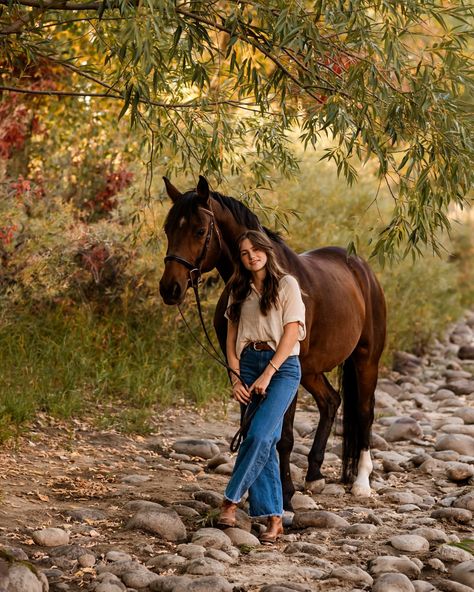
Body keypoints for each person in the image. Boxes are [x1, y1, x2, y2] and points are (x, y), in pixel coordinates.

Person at [218, 229, 306, 544]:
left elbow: (292, 333)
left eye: (256, 249)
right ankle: (274, 518)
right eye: (244, 252)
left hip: (281, 369)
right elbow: (230, 341)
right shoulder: (238, 290)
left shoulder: (287, 285)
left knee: (258, 435)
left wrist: (268, 373)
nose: (251, 256)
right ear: (239, 258)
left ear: (266, 251)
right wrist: (235, 377)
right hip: (248, 365)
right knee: (265, 442)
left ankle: (230, 500)